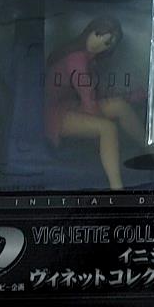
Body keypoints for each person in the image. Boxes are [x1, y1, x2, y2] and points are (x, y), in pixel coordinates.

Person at [44, 16, 143, 190]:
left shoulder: (89, 60)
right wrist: (99, 125)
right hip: (53, 114)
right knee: (107, 128)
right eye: (98, 35)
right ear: (90, 31)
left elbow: (96, 94)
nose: (99, 44)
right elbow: (88, 96)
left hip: (71, 106)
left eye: (106, 44)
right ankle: (117, 188)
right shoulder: (76, 59)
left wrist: (129, 97)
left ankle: (153, 152)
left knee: (118, 106)